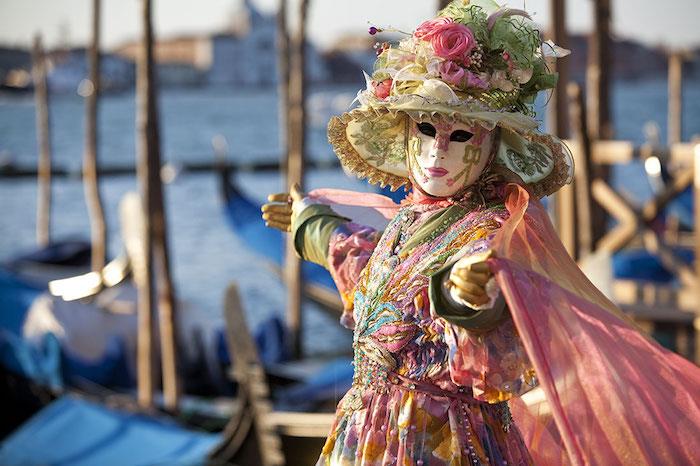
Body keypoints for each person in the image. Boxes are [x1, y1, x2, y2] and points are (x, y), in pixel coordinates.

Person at [262, 1, 700, 465]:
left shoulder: (494, 230)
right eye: (426, 129)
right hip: (367, 438)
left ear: (493, 146)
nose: (437, 151)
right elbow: (374, 269)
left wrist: (470, 295)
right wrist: (314, 223)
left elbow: (493, 291)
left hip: (444, 445)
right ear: (406, 133)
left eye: (462, 136)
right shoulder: (410, 219)